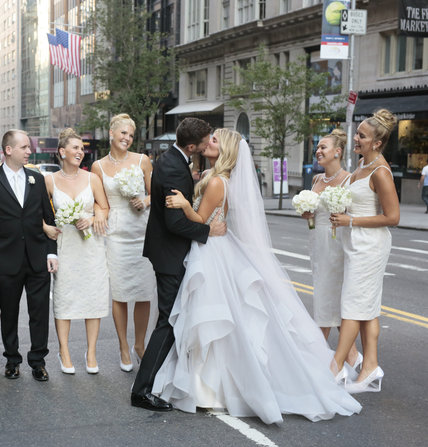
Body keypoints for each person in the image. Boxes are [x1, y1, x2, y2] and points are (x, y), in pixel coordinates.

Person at [151, 128, 361, 424]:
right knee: (218, 320)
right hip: (214, 247)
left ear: (224, 149)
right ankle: (210, 387)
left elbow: (201, 221)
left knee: (212, 317)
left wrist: (186, 205)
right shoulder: (215, 178)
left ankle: (210, 389)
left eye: (213, 140)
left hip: (211, 251)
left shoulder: (217, 183)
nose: (207, 143)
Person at [131, 117, 220, 411]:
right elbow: (174, 222)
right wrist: (208, 231)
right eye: (207, 140)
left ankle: (162, 381)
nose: (210, 143)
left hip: (165, 251)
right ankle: (142, 390)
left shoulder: (172, 160)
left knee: (171, 319)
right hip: (169, 254)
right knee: (168, 321)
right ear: (192, 146)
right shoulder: (174, 167)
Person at [0, 129, 58, 382]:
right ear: (8, 150)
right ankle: (12, 360)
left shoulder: (37, 179)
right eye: (24, 147)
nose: (29, 151)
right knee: (9, 312)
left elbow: (48, 217)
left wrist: (52, 252)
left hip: (37, 257)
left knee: (39, 312)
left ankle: (38, 361)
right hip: (5, 258)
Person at [330, 109, 400, 393]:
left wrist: (351, 220)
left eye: (361, 135)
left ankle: (333, 368)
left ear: (377, 143)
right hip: (354, 242)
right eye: (357, 133)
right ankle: (370, 367)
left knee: (352, 307)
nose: (355, 138)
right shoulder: (361, 165)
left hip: (369, 247)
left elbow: (393, 217)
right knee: (368, 309)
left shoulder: (381, 172)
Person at [91, 113, 156, 372]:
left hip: (142, 232)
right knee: (119, 294)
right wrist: (98, 213)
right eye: (123, 133)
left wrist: (146, 200)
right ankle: (123, 346)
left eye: (131, 135)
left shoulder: (143, 161)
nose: (127, 138)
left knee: (142, 292)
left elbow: (156, 192)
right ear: (111, 133)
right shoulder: (97, 166)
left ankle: (140, 344)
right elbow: (98, 200)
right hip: (116, 236)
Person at [45, 128, 110, 374]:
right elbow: (38, 214)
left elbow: (104, 208)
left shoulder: (92, 179)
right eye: (75, 148)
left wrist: (92, 219)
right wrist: (46, 228)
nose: (80, 153)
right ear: (62, 152)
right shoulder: (49, 181)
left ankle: (91, 352)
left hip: (91, 248)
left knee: (93, 297)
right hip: (65, 247)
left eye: (82, 149)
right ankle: (64, 351)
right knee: (64, 298)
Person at [300, 130, 361, 368]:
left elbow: (356, 213)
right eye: (317, 147)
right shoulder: (316, 180)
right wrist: (308, 216)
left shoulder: (350, 179)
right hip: (318, 242)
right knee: (329, 297)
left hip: (339, 244)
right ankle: (352, 356)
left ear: (337, 151)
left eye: (323, 147)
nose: (318, 151)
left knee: (328, 297)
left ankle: (318, 357)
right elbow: (313, 220)